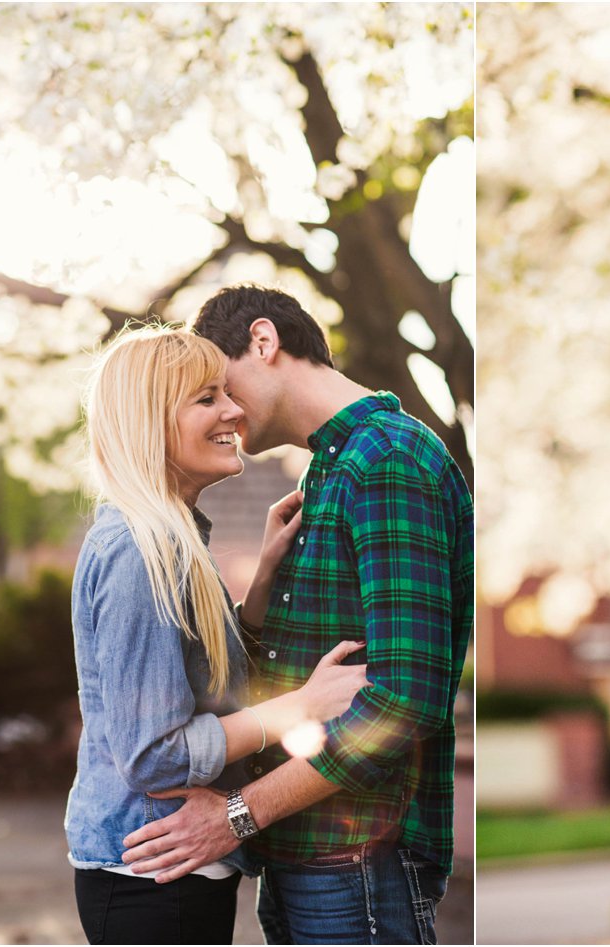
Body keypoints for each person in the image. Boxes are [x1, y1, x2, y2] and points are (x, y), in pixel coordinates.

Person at [120, 285, 473, 945]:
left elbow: (403, 701)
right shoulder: (328, 471)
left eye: (223, 388)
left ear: (264, 341)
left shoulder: (385, 459)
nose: (224, 412)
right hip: (309, 864)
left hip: (359, 868)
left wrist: (236, 815)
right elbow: (283, 684)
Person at [68, 326, 367, 944]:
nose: (233, 410)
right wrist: (300, 709)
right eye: (206, 399)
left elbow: (193, 675)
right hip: (150, 876)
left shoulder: (168, 539)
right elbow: (151, 754)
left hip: (166, 874)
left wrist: (260, 583)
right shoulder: (137, 551)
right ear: (152, 421)